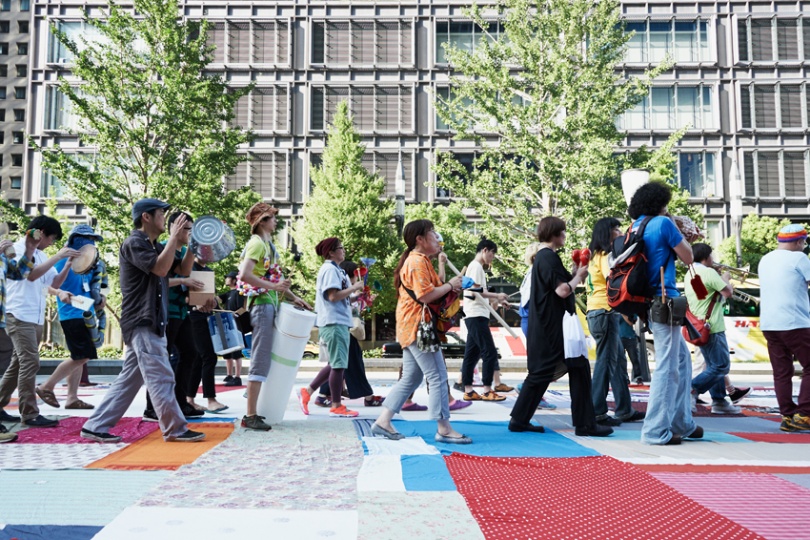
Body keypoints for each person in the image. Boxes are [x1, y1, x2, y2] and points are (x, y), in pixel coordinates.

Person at [81, 198, 205, 443]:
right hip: (142, 320)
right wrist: (173, 238)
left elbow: (181, 271)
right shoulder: (134, 242)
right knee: (162, 376)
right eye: (161, 213)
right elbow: (160, 270)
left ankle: (95, 425)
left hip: (149, 320)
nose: (165, 218)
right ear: (146, 217)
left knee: (129, 381)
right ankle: (175, 429)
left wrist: (192, 244)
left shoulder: (154, 245)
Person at [509, 216, 611, 437]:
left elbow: (564, 285)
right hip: (553, 328)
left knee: (552, 371)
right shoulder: (548, 258)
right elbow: (563, 290)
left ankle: (520, 419)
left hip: (549, 326)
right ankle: (584, 424)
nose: (565, 236)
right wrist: (580, 276)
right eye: (562, 232)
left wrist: (575, 272)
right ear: (554, 234)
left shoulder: (545, 258)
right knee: (559, 370)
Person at [371, 220, 471, 443]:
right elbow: (426, 295)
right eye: (433, 233)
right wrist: (451, 285)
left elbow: (435, 289)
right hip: (419, 326)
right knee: (437, 376)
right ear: (420, 239)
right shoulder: (416, 262)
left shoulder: (420, 261)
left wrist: (450, 283)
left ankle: (383, 421)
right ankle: (443, 427)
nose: (437, 238)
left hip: (412, 326)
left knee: (411, 378)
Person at [630, 183, 701, 446]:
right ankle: (656, 430)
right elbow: (689, 257)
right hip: (665, 298)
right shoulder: (663, 223)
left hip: (647, 299)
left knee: (682, 360)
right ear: (660, 203)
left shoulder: (637, 224)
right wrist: (678, 230)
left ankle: (682, 422)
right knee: (668, 367)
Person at [237, 203, 311, 431]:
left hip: (269, 304)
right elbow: (244, 274)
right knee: (260, 358)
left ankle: (253, 410)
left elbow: (272, 280)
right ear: (262, 222)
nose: (275, 221)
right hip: (262, 305)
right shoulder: (257, 244)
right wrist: (274, 286)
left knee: (265, 358)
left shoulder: (267, 245)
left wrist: (292, 296)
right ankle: (250, 414)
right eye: (271, 217)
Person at [0, 216, 78, 428]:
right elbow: (31, 276)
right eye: (52, 238)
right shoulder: (16, 249)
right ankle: (30, 413)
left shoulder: (42, 254)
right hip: (18, 315)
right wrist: (58, 256)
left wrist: (67, 264)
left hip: (34, 317)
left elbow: (53, 282)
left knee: (18, 365)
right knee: (30, 362)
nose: (52, 243)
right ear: (40, 233)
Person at [35, 224, 108, 411]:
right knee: (83, 356)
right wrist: (59, 292)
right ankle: (47, 386)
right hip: (72, 313)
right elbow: (45, 285)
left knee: (78, 356)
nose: (91, 243)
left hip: (85, 311)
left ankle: (72, 398)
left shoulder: (89, 262)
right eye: (88, 239)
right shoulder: (63, 258)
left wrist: (102, 298)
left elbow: (98, 284)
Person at [142, 211, 205, 422]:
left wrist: (205, 298)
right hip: (163, 312)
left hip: (180, 312)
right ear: (173, 228)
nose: (189, 233)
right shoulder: (161, 250)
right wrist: (183, 282)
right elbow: (157, 280)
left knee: (191, 353)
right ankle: (152, 408)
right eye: (187, 229)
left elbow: (185, 272)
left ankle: (179, 403)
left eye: (192, 229)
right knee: (162, 359)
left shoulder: (185, 251)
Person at [586, 217, 645, 426]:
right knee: (605, 362)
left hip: (599, 312)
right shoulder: (604, 255)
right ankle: (597, 412)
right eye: (616, 229)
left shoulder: (594, 255)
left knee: (618, 361)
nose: (619, 232)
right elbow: (612, 272)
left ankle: (624, 409)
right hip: (604, 312)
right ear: (607, 232)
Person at [298, 238, 365, 418]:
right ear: (331, 252)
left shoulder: (336, 270)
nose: (343, 250)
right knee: (338, 364)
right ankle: (336, 405)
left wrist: (356, 296)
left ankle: (309, 391)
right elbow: (333, 296)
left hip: (337, 321)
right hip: (334, 322)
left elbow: (339, 298)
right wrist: (354, 288)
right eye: (340, 248)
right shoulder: (330, 270)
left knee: (336, 363)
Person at [758, 224, 810, 432]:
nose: (805, 246)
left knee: (782, 371)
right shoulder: (799, 258)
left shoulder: (766, 259)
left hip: (770, 323)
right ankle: (805, 415)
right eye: (804, 242)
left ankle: (787, 416)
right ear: (798, 242)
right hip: (795, 321)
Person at [313, 260, 384, 408]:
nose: (357, 279)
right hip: (339, 326)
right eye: (355, 276)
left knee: (339, 364)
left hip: (343, 327)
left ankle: (323, 394)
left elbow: (347, 304)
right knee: (344, 363)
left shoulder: (341, 283)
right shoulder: (334, 277)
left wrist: (360, 298)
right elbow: (337, 301)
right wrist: (355, 292)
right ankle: (325, 396)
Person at [684, 243, 740, 415]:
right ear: (706, 257)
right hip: (712, 325)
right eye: (711, 256)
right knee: (721, 366)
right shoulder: (708, 272)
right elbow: (727, 292)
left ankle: (719, 400)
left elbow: (704, 294)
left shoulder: (690, 272)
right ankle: (692, 390)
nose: (713, 260)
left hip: (698, 325)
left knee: (712, 366)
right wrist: (726, 277)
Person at [460, 238, 510, 402]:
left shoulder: (476, 267)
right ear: (485, 250)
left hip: (475, 314)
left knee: (472, 354)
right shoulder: (476, 266)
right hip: (476, 315)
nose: (493, 257)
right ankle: (488, 390)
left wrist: (497, 300)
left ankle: (468, 390)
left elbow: (479, 292)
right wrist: (497, 295)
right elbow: (474, 291)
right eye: (493, 253)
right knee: (489, 352)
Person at [0, 234, 39, 442]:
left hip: (2, 319)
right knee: (25, 362)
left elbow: (19, 274)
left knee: (11, 365)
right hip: (15, 317)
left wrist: (30, 250)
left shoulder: (4, 257)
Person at [517, 241, 556, 410]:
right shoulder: (537, 273)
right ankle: (530, 391)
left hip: (529, 319)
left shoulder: (531, 273)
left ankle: (532, 392)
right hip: (534, 320)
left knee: (542, 361)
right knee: (544, 362)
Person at [186, 255, 228, 413]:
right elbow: (184, 294)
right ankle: (210, 399)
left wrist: (214, 301)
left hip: (205, 317)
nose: (209, 253)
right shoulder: (188, 267)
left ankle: (189, 398)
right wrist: (195, 301)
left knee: (199, 358)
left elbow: (209, 297)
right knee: (208, 356)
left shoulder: (207, 271)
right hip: (193, 317)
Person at [219, 271, 247, 387]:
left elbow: (243, 308)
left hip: (235, 325)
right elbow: (217, 299)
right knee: (228, 351)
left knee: (236, 352)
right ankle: (229, 375)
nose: (226, 279)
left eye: (228, 278)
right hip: (227, 324)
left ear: (234, 280)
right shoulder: (228, 294)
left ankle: (238, 376)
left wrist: (235, 314)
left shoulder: (239, 293)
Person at [619, 315, 644, 385]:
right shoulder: (615, 311)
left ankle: (638, 377)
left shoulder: (629, 310)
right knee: (621, 360)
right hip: (619, 338)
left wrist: (623, 314)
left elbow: (631, 322)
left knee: (634, 358)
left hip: (630, 337)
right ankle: (625, 377)